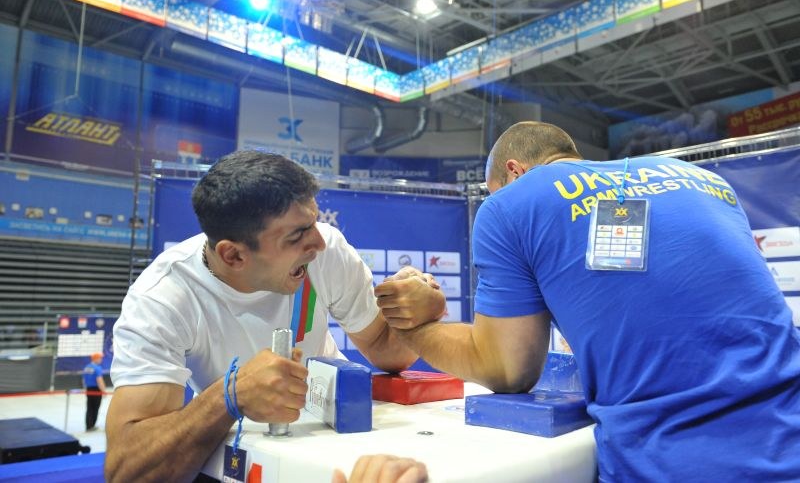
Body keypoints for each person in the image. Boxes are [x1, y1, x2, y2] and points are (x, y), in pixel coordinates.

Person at [376, 121, 800, 481]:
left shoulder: (508, 207)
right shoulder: (706, 181)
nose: (494, 200)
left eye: (493, 191)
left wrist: (416, 325)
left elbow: (507, 370)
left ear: (514, 172)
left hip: (676, 460)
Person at [105, 150, 444, 482]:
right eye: (297, 235)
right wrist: (231, 395)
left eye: (314, 222)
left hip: (334, 439)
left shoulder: (326, 251)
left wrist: (415, 316)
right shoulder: (162, 299)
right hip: (246, 455)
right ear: (234, 255)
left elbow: (388, 352)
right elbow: (127, 471)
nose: (319, 243)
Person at [81, 352, 106, 432]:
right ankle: (92, 426)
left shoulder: (87, 367)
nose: (101, 360)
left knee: (89, 408)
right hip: (96, 390)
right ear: (96, 359)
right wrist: (103, 391)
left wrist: (86, 389)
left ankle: (88, 425)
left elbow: (83, 380)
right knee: (95, 408)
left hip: (89, 389)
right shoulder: (97, 368)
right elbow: (99, 380)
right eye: (100, 358)